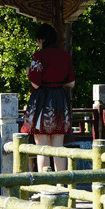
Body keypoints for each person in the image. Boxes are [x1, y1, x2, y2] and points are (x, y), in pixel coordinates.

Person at [20, 23, 74, 173]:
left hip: (42, 100)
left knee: (41, 146)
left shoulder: (39, 55)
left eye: (38, 40)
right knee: (58, 146)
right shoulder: (65, 55)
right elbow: (71, 83)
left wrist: (28, 72)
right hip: (59, 100)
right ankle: (61, 185)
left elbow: (36, 84)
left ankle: (44, 186)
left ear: (42, 39)